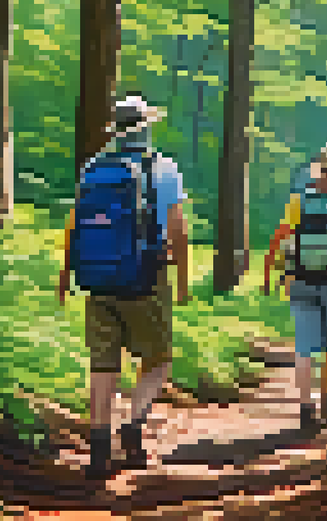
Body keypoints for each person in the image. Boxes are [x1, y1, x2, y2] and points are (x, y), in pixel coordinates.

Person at [58, 96, 190, 481]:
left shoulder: (93, 168)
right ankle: (132, 424)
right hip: (146, 279)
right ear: (147, 127)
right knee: (159, 359)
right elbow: (177, 229)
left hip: (96, 280)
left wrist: (66, 273)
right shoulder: (162, 169)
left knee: (102, 364)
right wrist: (181, 280)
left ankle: (98, 449)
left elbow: (76, 224)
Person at [265, 143, 327, 430]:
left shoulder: (298, 201)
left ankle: (305, 405)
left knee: (304, 346)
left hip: (301, 280)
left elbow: (283, 236)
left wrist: (275, 272)